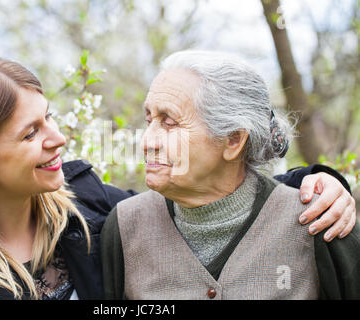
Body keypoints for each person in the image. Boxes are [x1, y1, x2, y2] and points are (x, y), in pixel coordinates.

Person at [0, 55, 355, 300]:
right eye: (31, 133)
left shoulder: (88, 205)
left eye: (49, 118)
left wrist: (319, 182)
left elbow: (223, 195)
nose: (59, 138)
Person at [101, 50, 360, 300]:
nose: (148, 142)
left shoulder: (321, 221)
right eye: (149, 121)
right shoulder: (124, 227)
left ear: (233, 140)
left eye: (169, 123)